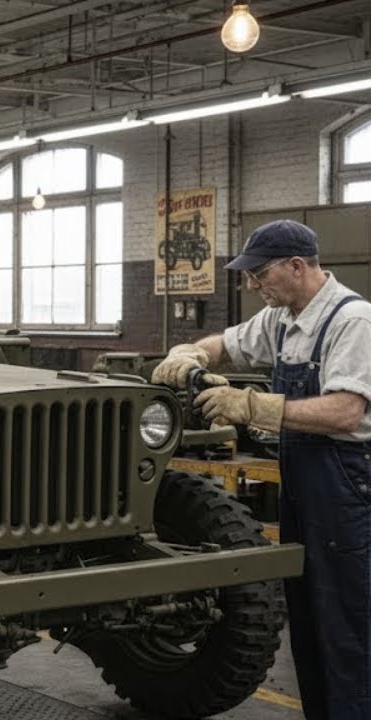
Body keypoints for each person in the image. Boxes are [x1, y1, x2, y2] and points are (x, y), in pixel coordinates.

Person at [151, 219, 371, 720]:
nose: (253, 285)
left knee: (346, 624)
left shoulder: (352, 320)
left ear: (297, 266)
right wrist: (188, 352)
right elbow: (223, 344)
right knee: (309, 619)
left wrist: (253, 407)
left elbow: (344, 412)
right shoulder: (282, 318)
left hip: (346, 484)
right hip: (304, 478)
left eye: (261, 273)